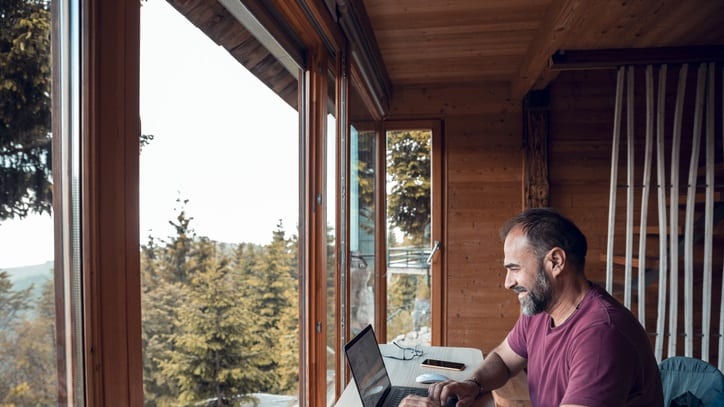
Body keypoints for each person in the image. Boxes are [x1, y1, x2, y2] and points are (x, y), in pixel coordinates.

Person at [400, 208, 663, 407]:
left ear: (556, 262)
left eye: (514, 269)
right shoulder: (542, 309)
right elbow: (503, 359)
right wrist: (472, 384)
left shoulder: (601, 333)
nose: (507, 283)